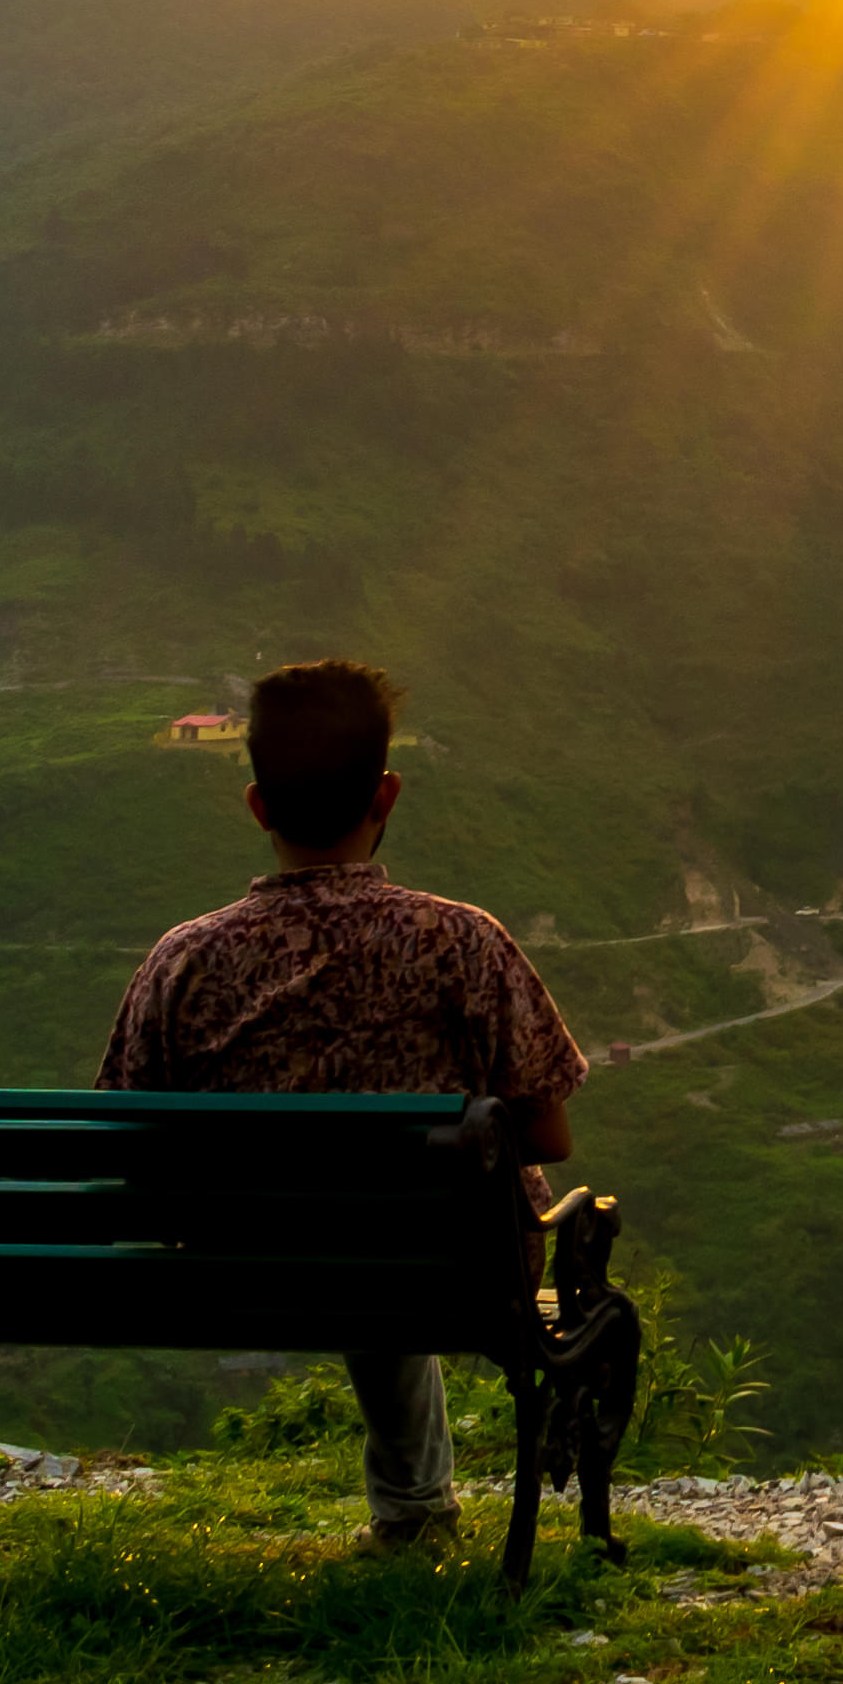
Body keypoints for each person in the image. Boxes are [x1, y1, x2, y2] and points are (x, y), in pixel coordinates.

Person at [96, 655, 587, 1550]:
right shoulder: (463, 944)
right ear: (386, 795)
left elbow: (123, 1144)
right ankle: (416, 1514)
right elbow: (546, 1133)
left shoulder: (184, 961)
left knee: (354, 1230)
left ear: (256, 805)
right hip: (439, 1270)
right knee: (398, 1229)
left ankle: (414, 1509)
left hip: (237, 1269)